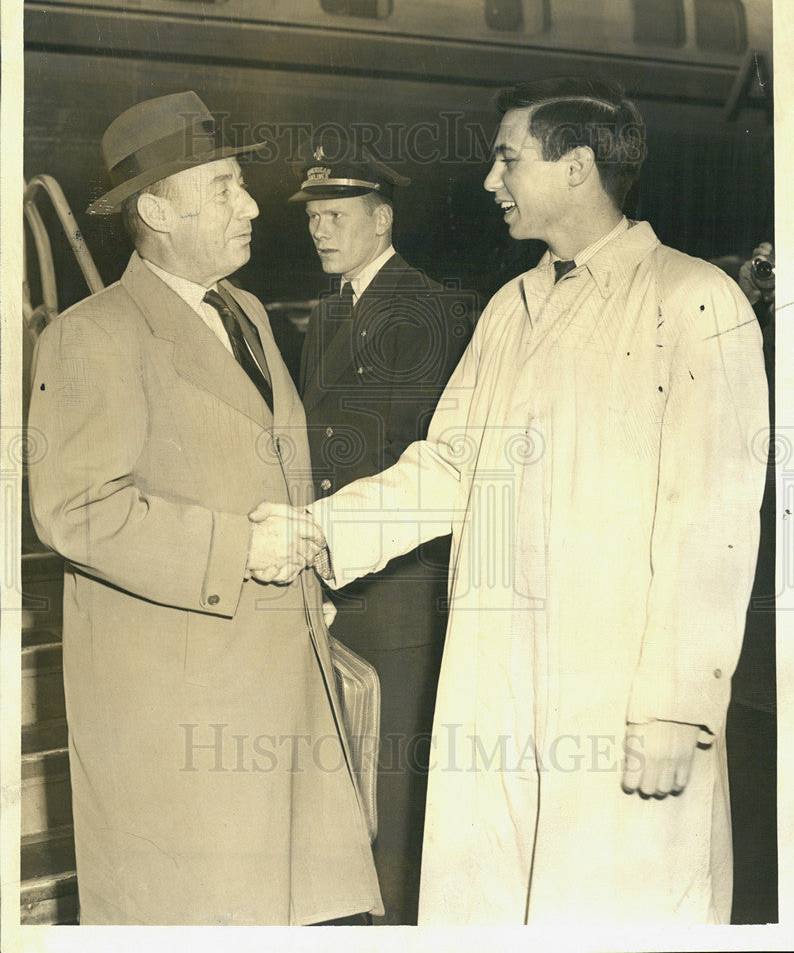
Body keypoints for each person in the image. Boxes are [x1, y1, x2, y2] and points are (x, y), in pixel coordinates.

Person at [283, 77, 769, 924]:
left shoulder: (694, 299)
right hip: (496, 674)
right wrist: (318, 531)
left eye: (507, 158)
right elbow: (450, 466)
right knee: (491, 899)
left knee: (613, 908)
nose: (488, 180)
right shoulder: (512, 307)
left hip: (616, 693)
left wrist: (673, 706)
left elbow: (713, 524)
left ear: (576, 167)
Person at [26, 91, 382, 925]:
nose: (252, 204)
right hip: (178, 712)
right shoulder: (91, 334)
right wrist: (237, 551)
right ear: (156, 208)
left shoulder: (247, 313)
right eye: (223, 186)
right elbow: (75, 509)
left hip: (274, 684)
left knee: (296, 913)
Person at [286, 134, 473, 924]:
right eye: (313, 218)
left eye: (335, 215)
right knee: (346, 777)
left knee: (391, 788)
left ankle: (397, 927)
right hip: (334, 576)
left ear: (382, 219)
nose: (319, 231)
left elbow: (413, 457)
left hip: (393, 589)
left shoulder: (426, 308)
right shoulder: (327, 313)